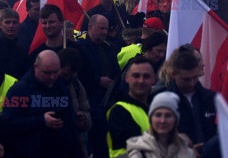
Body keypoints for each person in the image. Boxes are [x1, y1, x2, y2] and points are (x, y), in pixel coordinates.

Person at [3, 50, 81, 157]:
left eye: (56, 72)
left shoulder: (61, 88)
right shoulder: (18, 91)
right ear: (36, 67)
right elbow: (9, 123)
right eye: (47, 73)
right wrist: (41, 120)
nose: (52, 77)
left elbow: (71, 123)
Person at [77, 14, 121, 158]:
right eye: (101, 28)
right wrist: (97, 80)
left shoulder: (109, 48)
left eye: (106, 29)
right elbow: (77, 74)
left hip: (107, 102)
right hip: (89, 101)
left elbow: (117, 72)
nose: (104, 32)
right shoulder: (80, 48)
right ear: (90, 27)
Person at [161, 49, 216, 152]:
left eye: (195, 78)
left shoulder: (212, 98)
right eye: (186, 79)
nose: (191, 83)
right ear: (173, 74)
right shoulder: (163, 102)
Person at [107, 57, 157, 157]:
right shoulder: (119, 111)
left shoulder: (157, 108)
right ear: (127, 78)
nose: (141, 81)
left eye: (146, 76)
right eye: (136, 76)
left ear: (153, 79)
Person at [126, 92, 195, 158]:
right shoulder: (138, 151)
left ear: (176, 120)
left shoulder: (188, 153)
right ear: (151, 119)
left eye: (168, 115)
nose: (163, 120)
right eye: (158, 115)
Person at [58, 48, 92, 158]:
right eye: (65, 74)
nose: (68, 77)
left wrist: (83, 119)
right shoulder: (46, 84)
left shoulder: (76, 85)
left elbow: (86, 110)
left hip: (75, 142)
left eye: (71, 74)